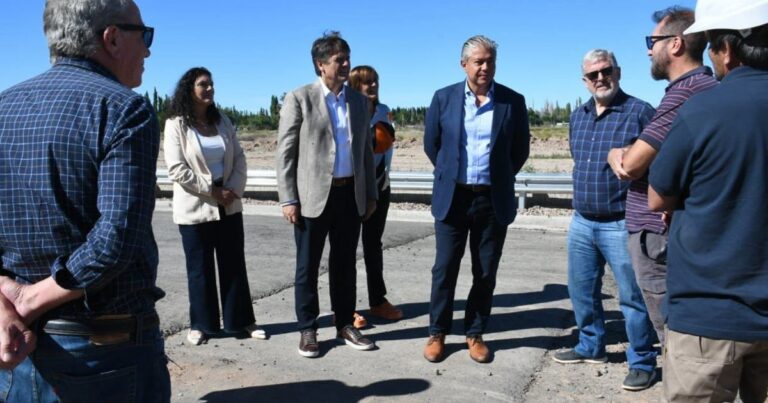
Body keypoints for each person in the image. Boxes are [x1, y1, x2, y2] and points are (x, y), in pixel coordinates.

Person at [0, 0, 170, 401]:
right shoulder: (125, 110)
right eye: (144, 35)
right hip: (104, 354)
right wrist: (28, 299)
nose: (147, 49)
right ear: (111, 38)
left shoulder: (2, 107)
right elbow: (116, 239)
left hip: (16, 348)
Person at [648, 0, 768, 400]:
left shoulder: (701, 110)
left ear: (728, 49)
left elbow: (656, 196)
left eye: (713, 46)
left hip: (709, 320)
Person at [606, 6, 717, 348]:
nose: (648, 50)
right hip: (672, 228)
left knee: (674, 335)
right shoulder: (705, 87)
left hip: (657, 232)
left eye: (652, 41)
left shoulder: (685, 92)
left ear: (676, 44)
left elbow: (631, 165)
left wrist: (615, 153)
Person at [553, 49, 658, 391]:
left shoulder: (640, 113)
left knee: (632, 297)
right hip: (582, 221)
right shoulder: (577, 117)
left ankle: (642, 360)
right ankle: (590, 346)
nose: (600, 78)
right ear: (584, 80)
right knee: (582, 291)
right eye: (593, 74)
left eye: (606, 70)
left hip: (621, 221)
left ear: (619, 71)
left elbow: (659, 163)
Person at [422, 35, 530, 364]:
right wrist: (451, 174)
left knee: (484, 271)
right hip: (453, 197)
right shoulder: (444, 98)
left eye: (490, 61)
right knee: (444, 269)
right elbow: (432, 145)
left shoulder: (512, 101)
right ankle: (437, 332)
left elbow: (519, 151)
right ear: (464, 64)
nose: (485, 67)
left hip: (491, 200)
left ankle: (475, 332)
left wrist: (495, 178)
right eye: (479, 61)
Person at [276, 31, 378, 358]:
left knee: (345, 264)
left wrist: (371, 194)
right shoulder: (300, 98)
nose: (347, 64)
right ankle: (308, 328)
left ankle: (345, 324)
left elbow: (365, 152)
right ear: (321, 65)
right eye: (339, 60)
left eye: (347, 58)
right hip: (311, 199)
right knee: (307, 267)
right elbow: (285, 153)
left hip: (351, 196)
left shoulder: (359, 103)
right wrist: (288, 198)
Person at [164, 67, 267, 345]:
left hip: (228, 203)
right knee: (200, 269)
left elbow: (241, 158)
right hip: (196, 205)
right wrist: (213, 191)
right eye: (203, 85)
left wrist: (232, 189)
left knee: (234, 265)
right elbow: (176, 169)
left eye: (211, 84)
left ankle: (242, 322)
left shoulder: (222, 121)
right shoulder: (176, 124)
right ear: (190, 89)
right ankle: (201, 325)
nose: (209, 89)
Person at [346, 65, 403, 329]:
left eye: (375, 81)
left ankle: (377, 300)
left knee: (373, 245)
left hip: (380, 187)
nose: (372, 86)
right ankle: (345, 309)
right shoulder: (346, 111)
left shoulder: (384, 111)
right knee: (345, 249)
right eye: (366, 82)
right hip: (352, 189)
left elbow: (386, 146)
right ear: (355, 85)